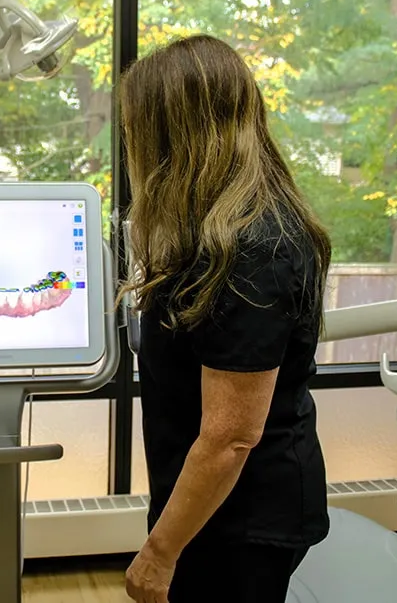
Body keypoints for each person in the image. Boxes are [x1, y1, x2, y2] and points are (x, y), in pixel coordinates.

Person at [118, 35, 333, 603]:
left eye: (136, 128)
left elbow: (231, 438)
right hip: (212, 504)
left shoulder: (255, 249)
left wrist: (160, 553)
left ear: (171, 135)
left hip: (245, 518)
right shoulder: (212, 234)